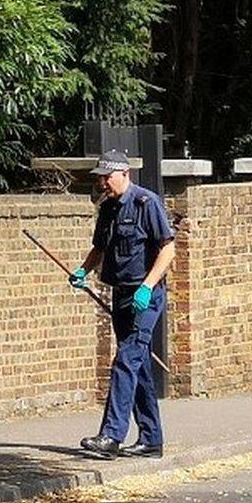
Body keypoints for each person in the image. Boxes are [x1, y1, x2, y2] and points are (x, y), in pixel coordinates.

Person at [69, 150, 175, 459]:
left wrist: (147, 286)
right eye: (100, 177)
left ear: (124, 174)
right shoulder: (108, 209)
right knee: (139, 365)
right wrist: (82, 271)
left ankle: (111, 436)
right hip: (121, 295)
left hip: (146, 296)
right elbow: (99, 249)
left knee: (125, 360)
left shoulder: (146, 203)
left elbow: (167, 251)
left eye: (107, 176)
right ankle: (152, 439)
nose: (103, 182)